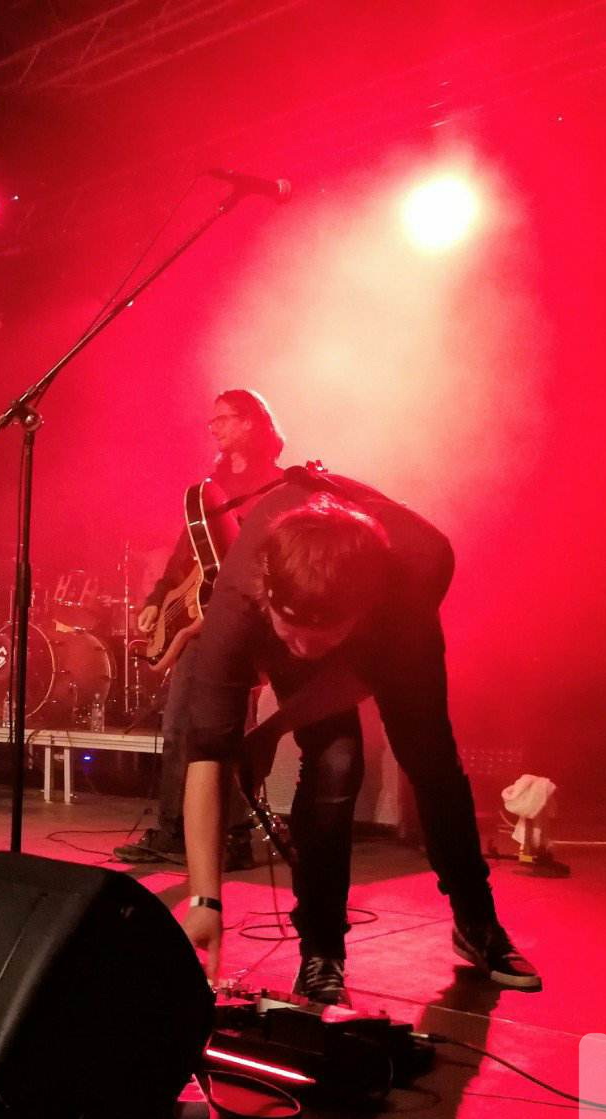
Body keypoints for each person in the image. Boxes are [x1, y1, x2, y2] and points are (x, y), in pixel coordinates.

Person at [178, 476, 541, 1004]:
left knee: (431, 758)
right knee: (335, 761)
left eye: (322, 639)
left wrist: (274, 728)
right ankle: (322, 951)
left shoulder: (418, 564)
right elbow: (207, 755)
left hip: (386, 627)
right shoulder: (237, 602)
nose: (306, 650)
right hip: (303, 612)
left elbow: (369, 674)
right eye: (293, 634)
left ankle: (477, 923)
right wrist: (204, 902)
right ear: (268, 600)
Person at [114, 388, 286, 868]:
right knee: (177, 727)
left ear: (251, 422)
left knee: (228, 729)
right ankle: (173, 832)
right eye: (212, 421)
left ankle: (235, 837)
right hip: (197, 622)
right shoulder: (209, 486)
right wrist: (157, 600)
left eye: (224, 419)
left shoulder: (275, 485)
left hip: (241, 620)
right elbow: (185, 553)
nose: (214, 429)